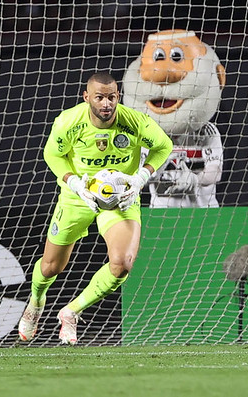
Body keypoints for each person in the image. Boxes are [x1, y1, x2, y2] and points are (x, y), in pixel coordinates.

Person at [18, 72, 173, 345]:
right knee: (51, 267)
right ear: (86, 97)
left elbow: (163, 146)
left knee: (122, 264)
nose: (106, 104)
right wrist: (74, 183)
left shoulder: (135, 122)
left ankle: (71, 312)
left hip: (121, 198)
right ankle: (35, 302)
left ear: (118, 97)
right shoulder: (68, 121)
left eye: (111, 97)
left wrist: (141, 177)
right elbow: (52, 154)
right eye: (100, 97)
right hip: (78, 197)